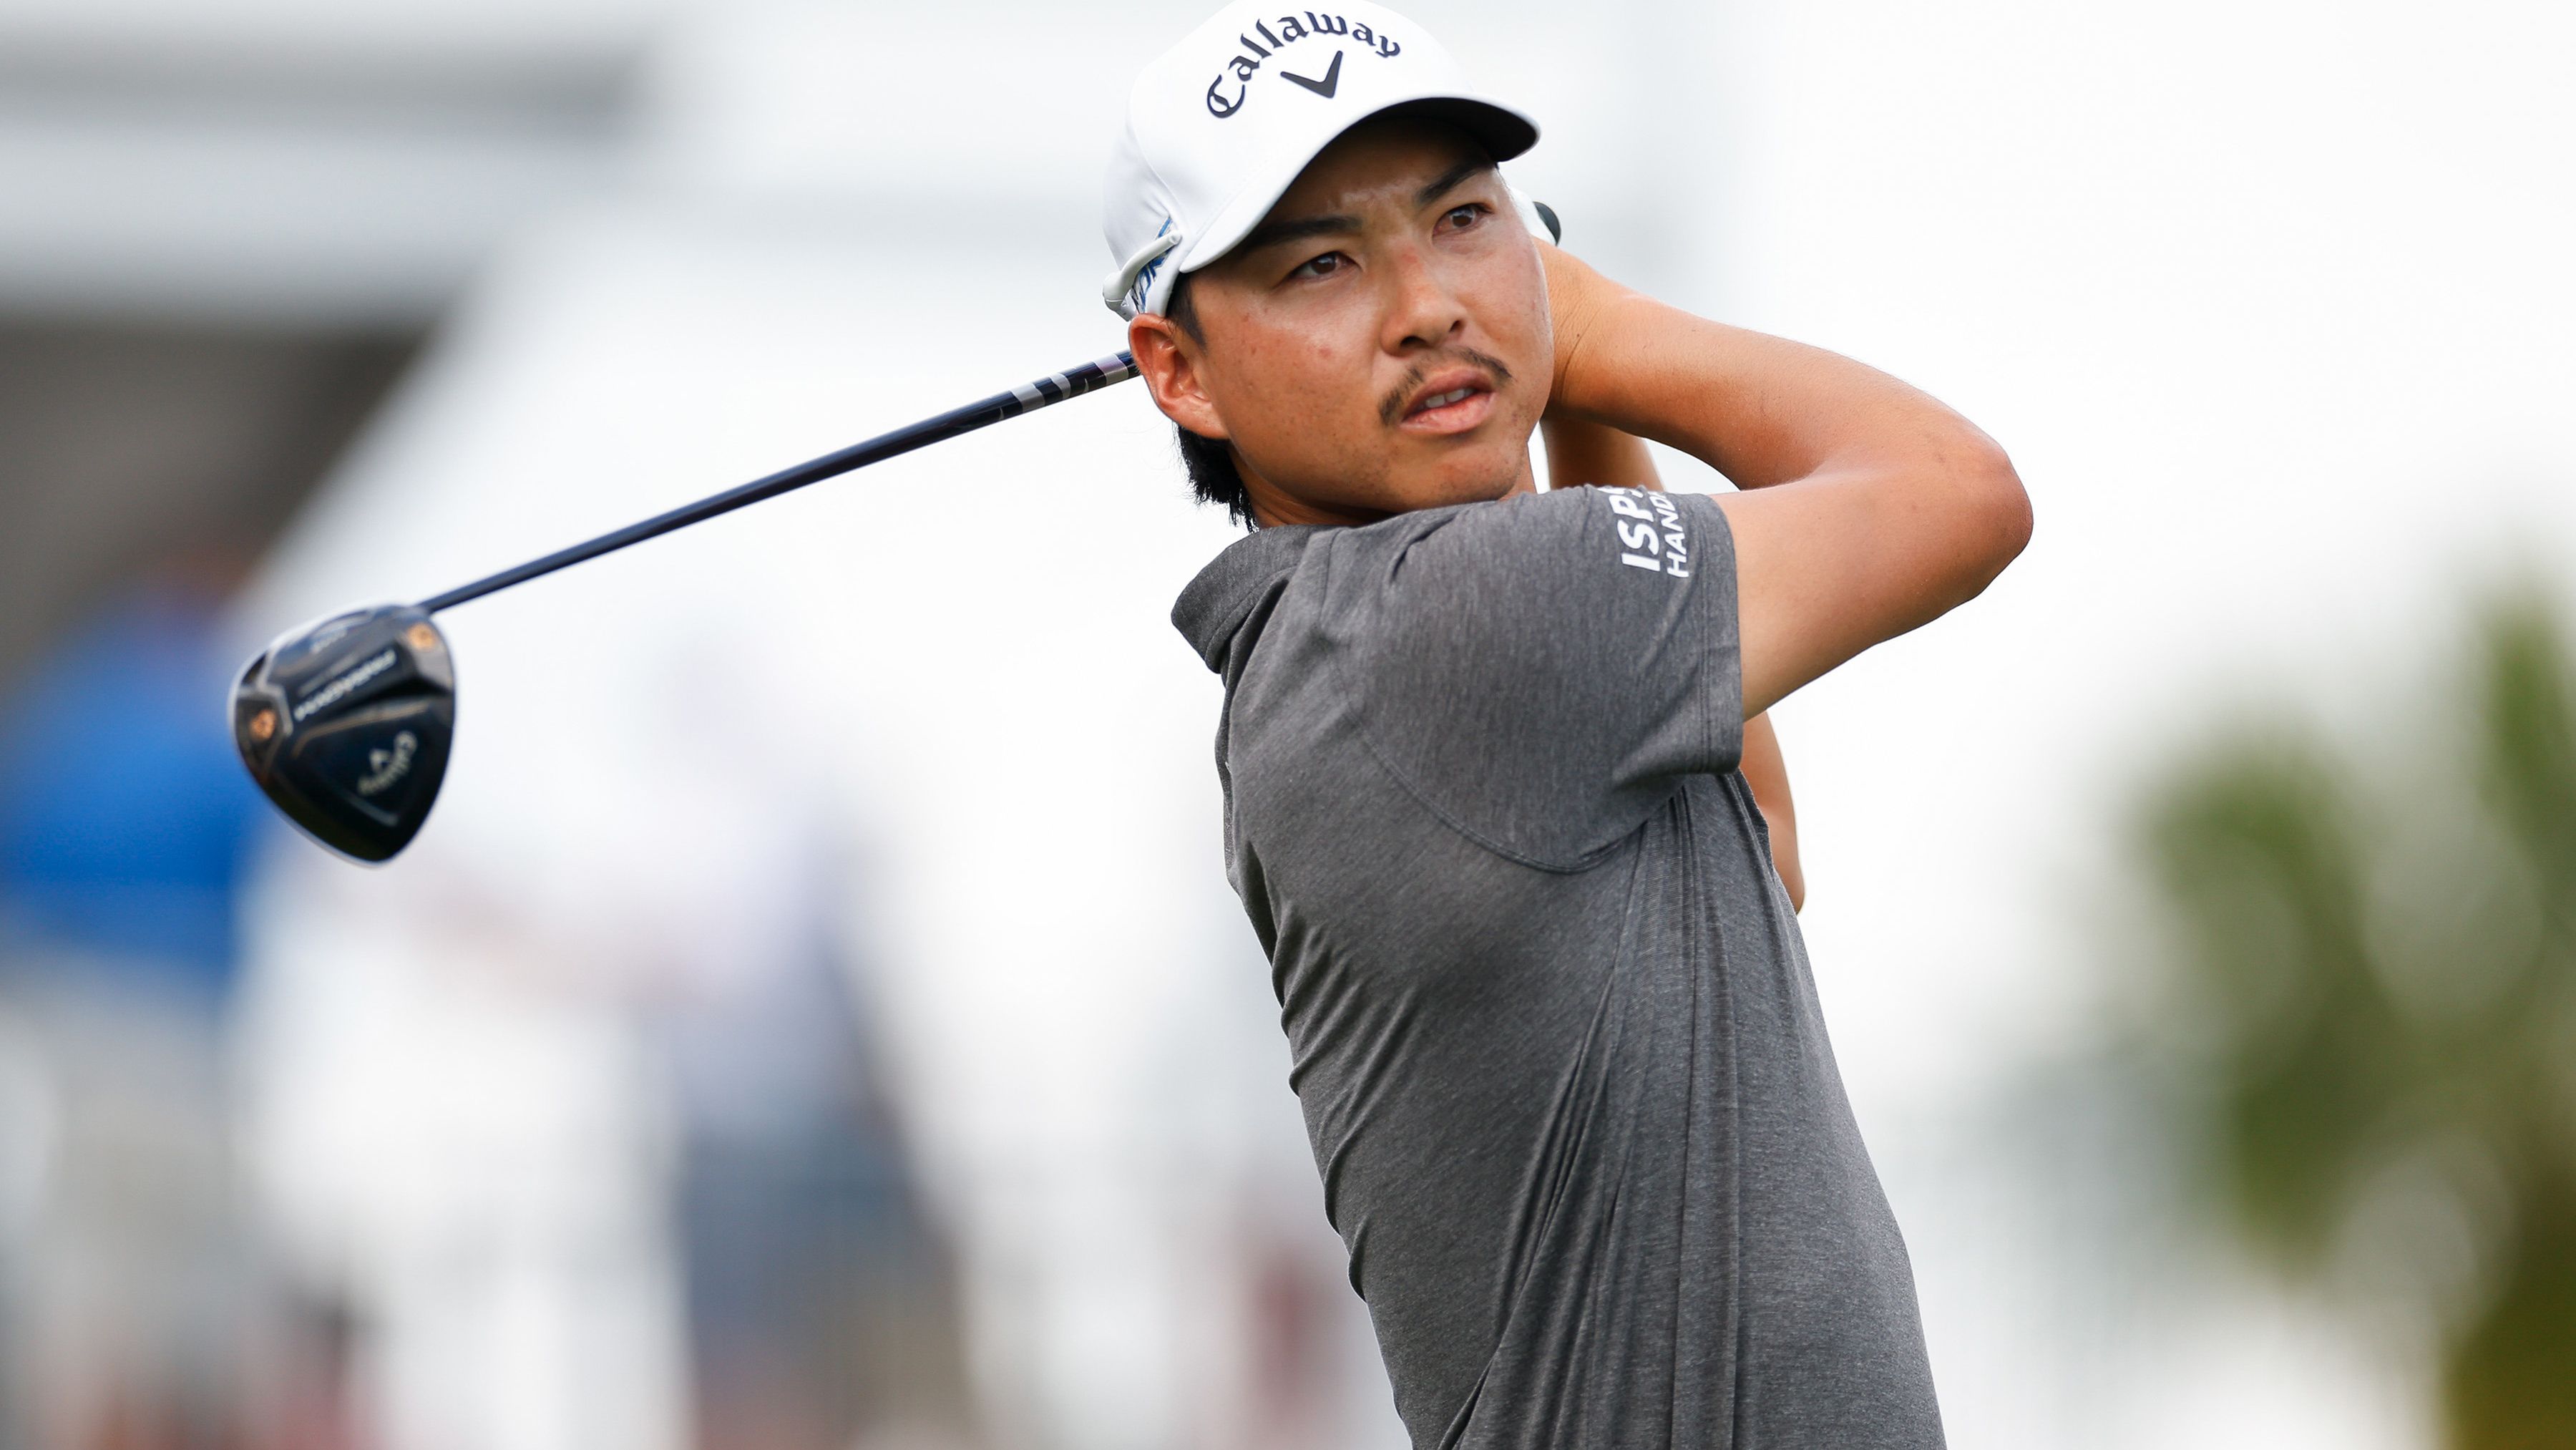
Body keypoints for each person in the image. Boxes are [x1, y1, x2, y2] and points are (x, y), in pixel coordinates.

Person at [1101, 4, 2031, 1446]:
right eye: (1324, 262)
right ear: (1181, 370)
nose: (1427, 302)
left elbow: (1758, 844)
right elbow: (1956, 492)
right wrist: (1591, 327)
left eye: (1464, 220)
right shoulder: (1445, 629)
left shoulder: (1381, 648)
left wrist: (1563, 382)